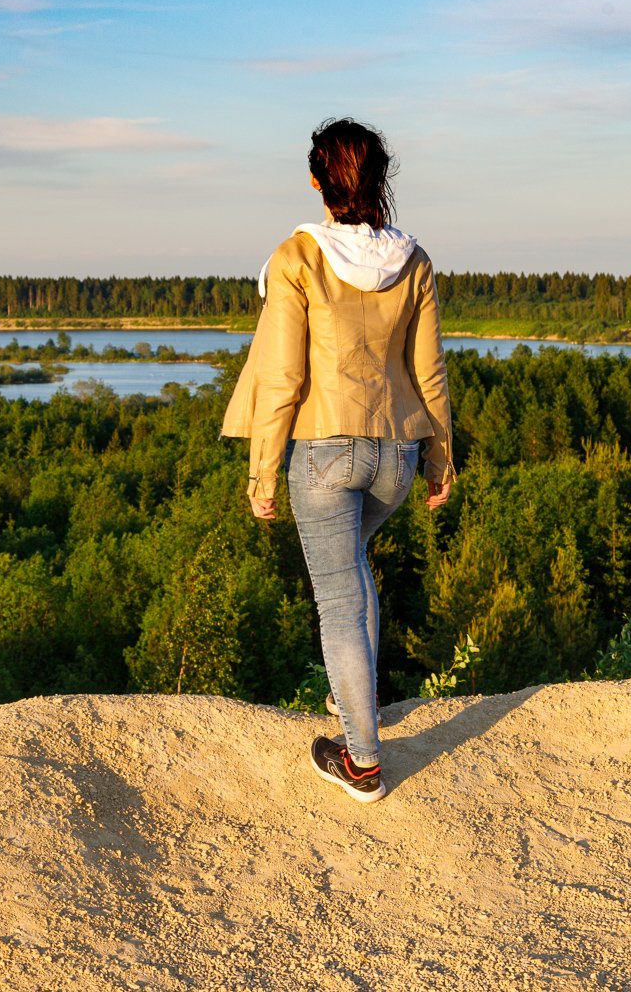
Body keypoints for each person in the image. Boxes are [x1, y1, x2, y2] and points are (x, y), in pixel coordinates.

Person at [221, 117, 455, 803]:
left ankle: (361, 763)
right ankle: (356, 707)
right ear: (381, 182)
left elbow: (283, 379)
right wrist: (440, 459)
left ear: (318, 179)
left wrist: (263, 472)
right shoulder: (413, 260)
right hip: (395, 456)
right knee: (353, 575)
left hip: (324, 453)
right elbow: (430, 372)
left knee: (338, 601)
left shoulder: (298, 257)